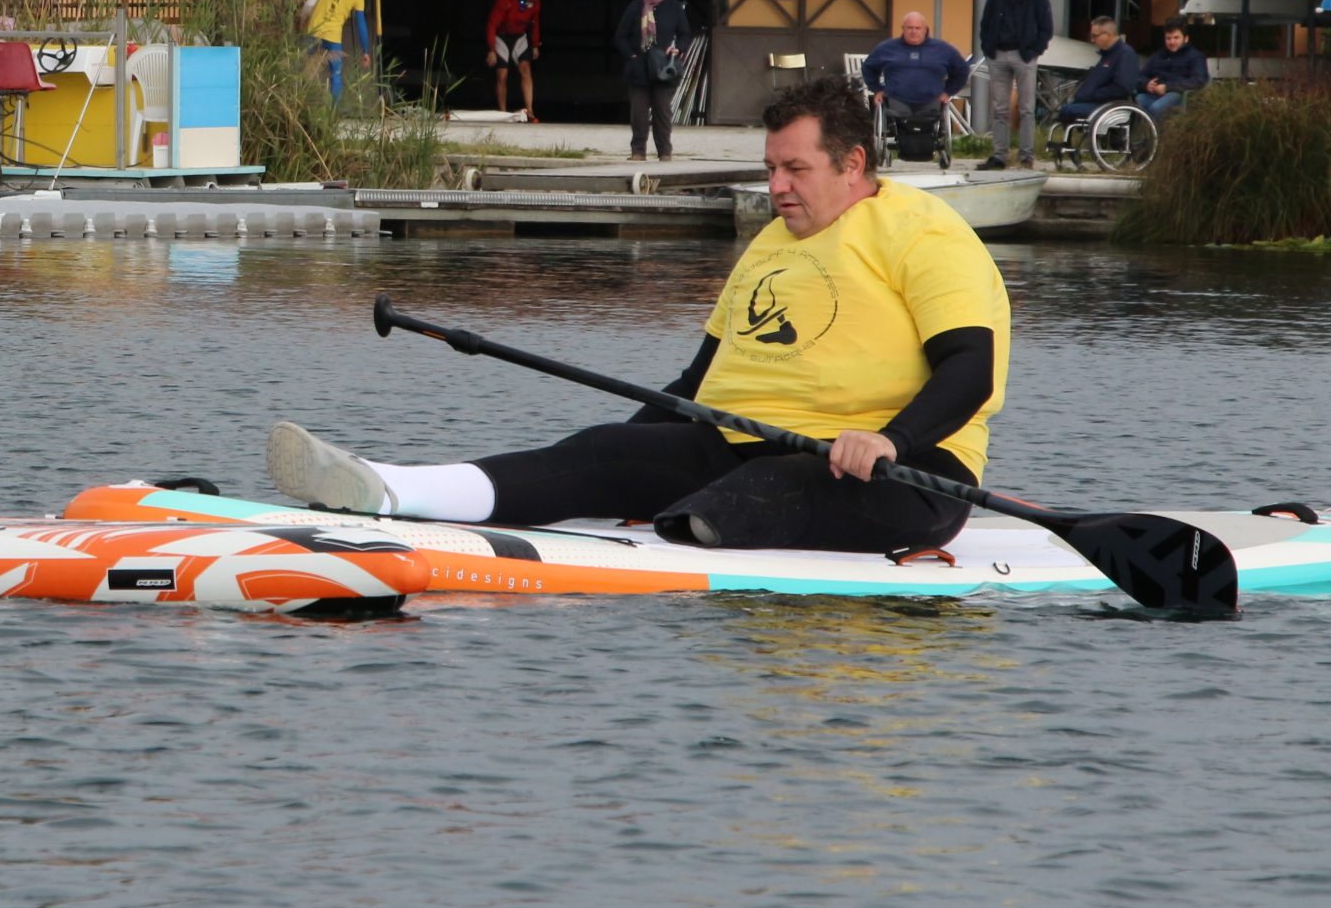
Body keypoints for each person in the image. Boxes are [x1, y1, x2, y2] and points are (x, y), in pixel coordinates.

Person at [268, 76, 1006, 557]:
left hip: (898, 473)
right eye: (770, 168)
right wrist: (624, 464)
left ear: (852, 164)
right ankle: (393, 490)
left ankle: (673, 535)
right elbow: (697, 382)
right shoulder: (774, 242)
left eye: (795, 169)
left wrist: (888, 439)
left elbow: (971, 368)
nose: (776, 186)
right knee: (598, 452)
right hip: (742, 444)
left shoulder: (924, 233)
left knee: (754, 493)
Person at [978, 0, 1053, 171]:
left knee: (1026, 109)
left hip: (1024, 56)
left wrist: (1035, 50)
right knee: (1000, 108)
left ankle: (1026, 156)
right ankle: (999, 156)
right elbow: (985, 24)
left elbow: (1046, 28)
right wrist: (988, 47)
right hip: (997, 54)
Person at [612, 0, 690, 162]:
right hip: (638, 67)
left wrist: (678, 49)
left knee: (662, 112)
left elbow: (685, 34)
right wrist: (631, 55)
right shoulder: (634, 7)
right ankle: (638, 152)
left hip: (662, 67)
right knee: (638, 113)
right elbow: (620, 36)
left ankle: (665, 152)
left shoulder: (674, 7)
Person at [859, 10, 969, 125]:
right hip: (897, 100)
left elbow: (962, 70)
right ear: (903, 29)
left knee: (928, 119)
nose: (914, 31)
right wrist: (877, 89)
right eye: (910, 28)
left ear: (925, 29)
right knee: (900, 120)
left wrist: (948, 92)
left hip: (931, 100)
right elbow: (868, 68)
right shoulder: (886, 48)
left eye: (917, 28)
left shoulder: (943, 49)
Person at [303, 0, 372, 100]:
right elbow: (361, 25)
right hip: (333, 37)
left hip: (313, 30)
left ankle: (296, 101)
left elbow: (310, 2)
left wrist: (302, 19)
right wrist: (365, 51)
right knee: (336, 74)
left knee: (302, 66)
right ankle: (333, 110)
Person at [1056, 15, 1142, 124]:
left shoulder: (1125, 54)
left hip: (1108, 106)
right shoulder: (1108, 55)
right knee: (1067, 109)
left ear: (1108, 35)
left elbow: (1122, 88)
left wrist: (1092, 94)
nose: (1092, 40)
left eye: (1095, 36)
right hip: (1096, 103)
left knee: (1067, 111)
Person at [486, 0, 543, 121]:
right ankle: (502, 112)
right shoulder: (505, 0)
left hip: (519, 38)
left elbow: (535, 24)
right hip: (501, 38)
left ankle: (530, 111)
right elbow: (492, 25)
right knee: (502, 75)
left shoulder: (535, 3)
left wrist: (535, 45)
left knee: (526, 70)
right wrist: (492, 50)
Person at [1136, 21, 1208, 122]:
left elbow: (1199, 80)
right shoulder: (1158, 55)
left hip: (1180, 94)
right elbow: (1140, 76)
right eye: (1168, 38)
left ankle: (1157, 132)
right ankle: (1146, 131)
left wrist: (1167, 87)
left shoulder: (1195, 56)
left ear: (1186, 39)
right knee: (1138, 101)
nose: (1172, 42)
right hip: (1156, 94)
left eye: (1176, 38)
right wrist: (1146, 84)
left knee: (1156, 108)